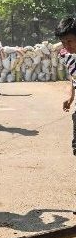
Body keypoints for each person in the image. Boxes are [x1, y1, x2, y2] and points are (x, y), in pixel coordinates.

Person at [55, 17, 76, 156]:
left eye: (69, 41)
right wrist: (70, 98)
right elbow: (74, 79)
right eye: (63, 42)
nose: (66, 46)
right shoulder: (67, 56)